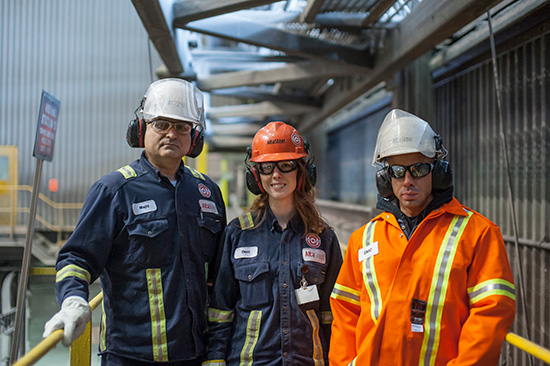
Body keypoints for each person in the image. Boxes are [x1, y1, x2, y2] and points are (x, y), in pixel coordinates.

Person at [43, 78, 227, 366]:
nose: (172, 134)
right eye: (161, 124)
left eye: (182, 127)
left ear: (195, 138)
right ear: (141, 129)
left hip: (195, 354)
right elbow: (77, 257)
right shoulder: (115, 190)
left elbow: (220, 276)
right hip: (130, 356)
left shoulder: (208, 192)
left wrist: (216, 351)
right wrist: (73, 300)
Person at [329, 109, 516, 366]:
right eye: (396, 171)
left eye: (418, 169)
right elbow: (345, 312)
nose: (407, 180)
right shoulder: (363, 239)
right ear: (385, 178)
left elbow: (491, 312)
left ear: (437, 172)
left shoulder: (477, 234)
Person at [203, 121, 343, 366]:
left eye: (286, 165)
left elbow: (332, 317)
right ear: (256, 177)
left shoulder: (323, 237)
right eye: (267, 167)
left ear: (302, 172)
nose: (276, 175)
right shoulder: (238, 233)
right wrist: (214, 359)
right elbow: (220, 310)